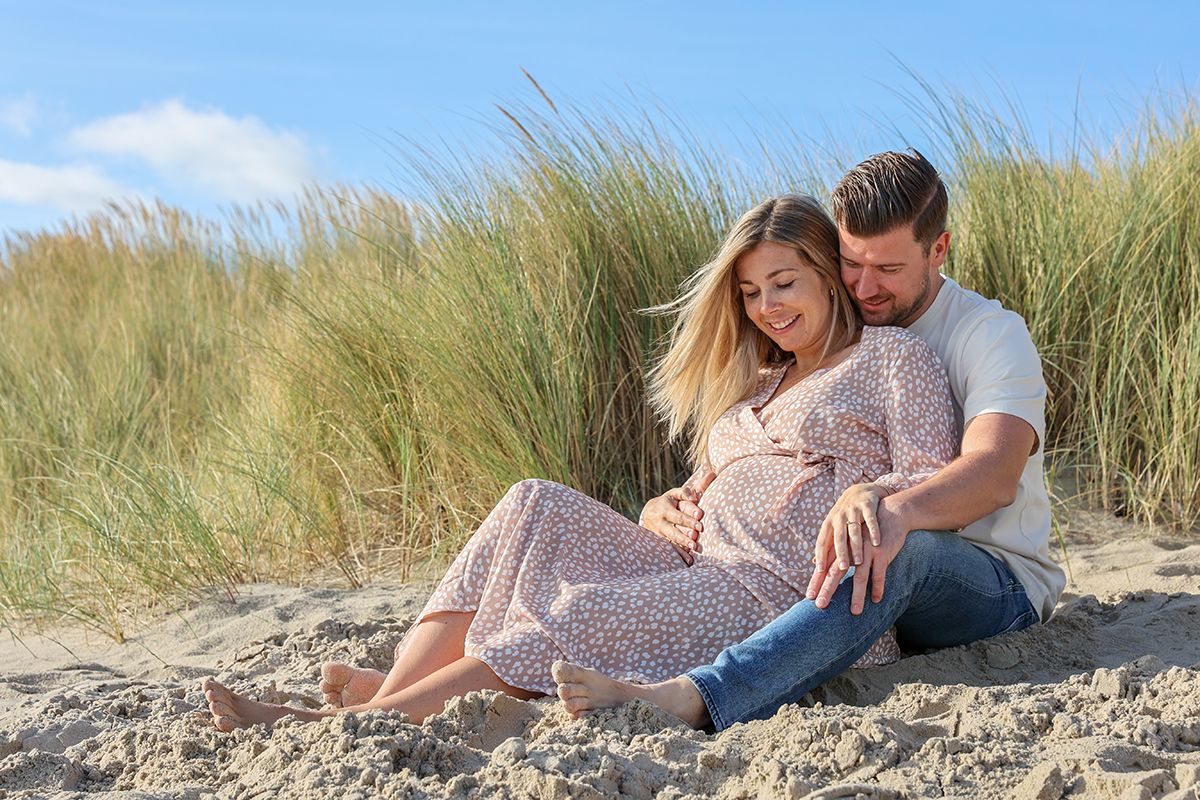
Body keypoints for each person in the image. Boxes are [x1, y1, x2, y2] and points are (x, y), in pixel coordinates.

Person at [202, 193, 957, 731]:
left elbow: (932, 476)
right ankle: (399, 695)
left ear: (829, 273)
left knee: (577, 613)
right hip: (695, 568)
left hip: (776, 593)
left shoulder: (892, 358)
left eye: (785, 283)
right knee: (533, 501)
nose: (767, 306)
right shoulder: (756, 383)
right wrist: (664, 504)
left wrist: (867, 489)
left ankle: (354, 719)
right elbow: (709, 488)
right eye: (751, 291)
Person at [551, 149, 1068, 731]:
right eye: (851, 263)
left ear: (938, 249)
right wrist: (666, 504)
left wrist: (891, 505)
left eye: (889, 270)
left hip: (990, 577)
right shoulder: (847, 336)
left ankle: (703, 695)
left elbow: (995, 472)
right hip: (859, 593)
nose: (865, 287)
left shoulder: (988, 334)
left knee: (891, 543)